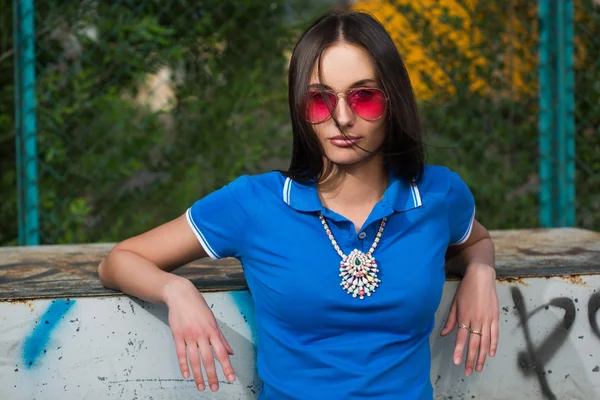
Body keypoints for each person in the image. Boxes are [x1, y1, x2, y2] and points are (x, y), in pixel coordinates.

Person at [98, 10, 499, 400]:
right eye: (320, 100)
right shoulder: (254, 204)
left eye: (364, 97)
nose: (342, 117)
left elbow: (475, 242)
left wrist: (481, 271)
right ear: (299, 108)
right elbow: (120, 260)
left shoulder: (438, 195)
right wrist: (176, 289)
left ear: (394, 100)